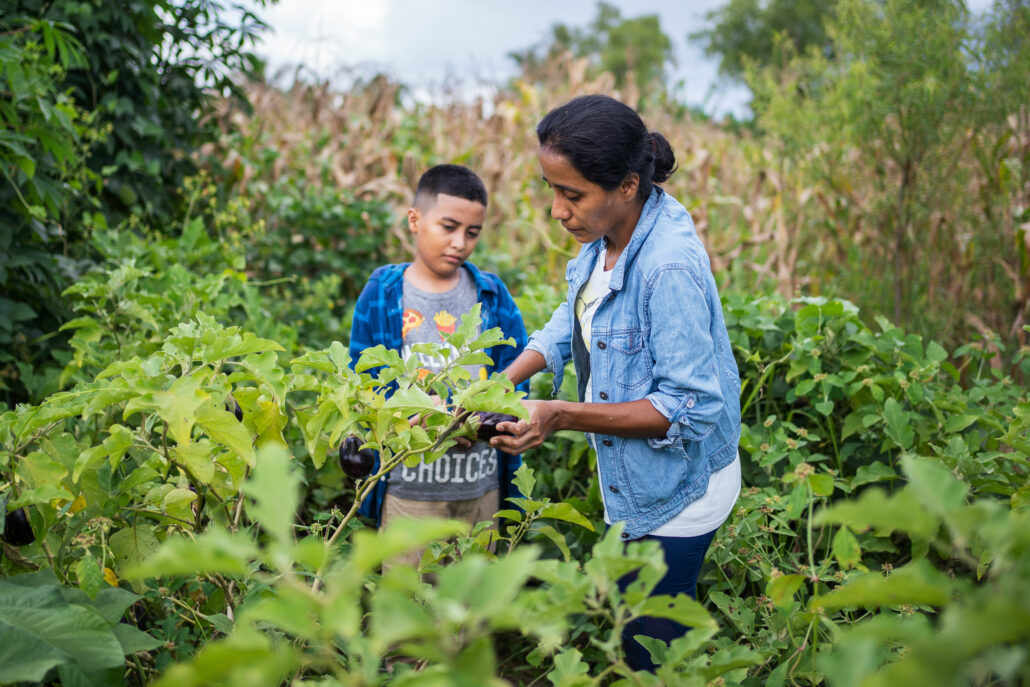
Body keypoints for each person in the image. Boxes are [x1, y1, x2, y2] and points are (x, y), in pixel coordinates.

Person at [490, 95, 742, 672]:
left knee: (648, 653)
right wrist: (498, 384)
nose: (557, 210)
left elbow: (689, 407)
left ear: (627, 186)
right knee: (633, 620)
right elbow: (574, 315)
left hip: (677, 491)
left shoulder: (667, 266)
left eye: (571, 193)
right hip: (638, 482)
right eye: (551, 189)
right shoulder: (607, 236)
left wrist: (560, 413)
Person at [348, 164, 529, 569]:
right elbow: (362, 381)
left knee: (472, 614)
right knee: (405, 612)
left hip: (481, 489)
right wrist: (415, 414)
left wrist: (487, 419)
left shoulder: (491, 294)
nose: (460, 242)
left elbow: (519, 375)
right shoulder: (384, 291)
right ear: (414, 220)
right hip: (409, 492)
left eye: (472, 232)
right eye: (448, 226)